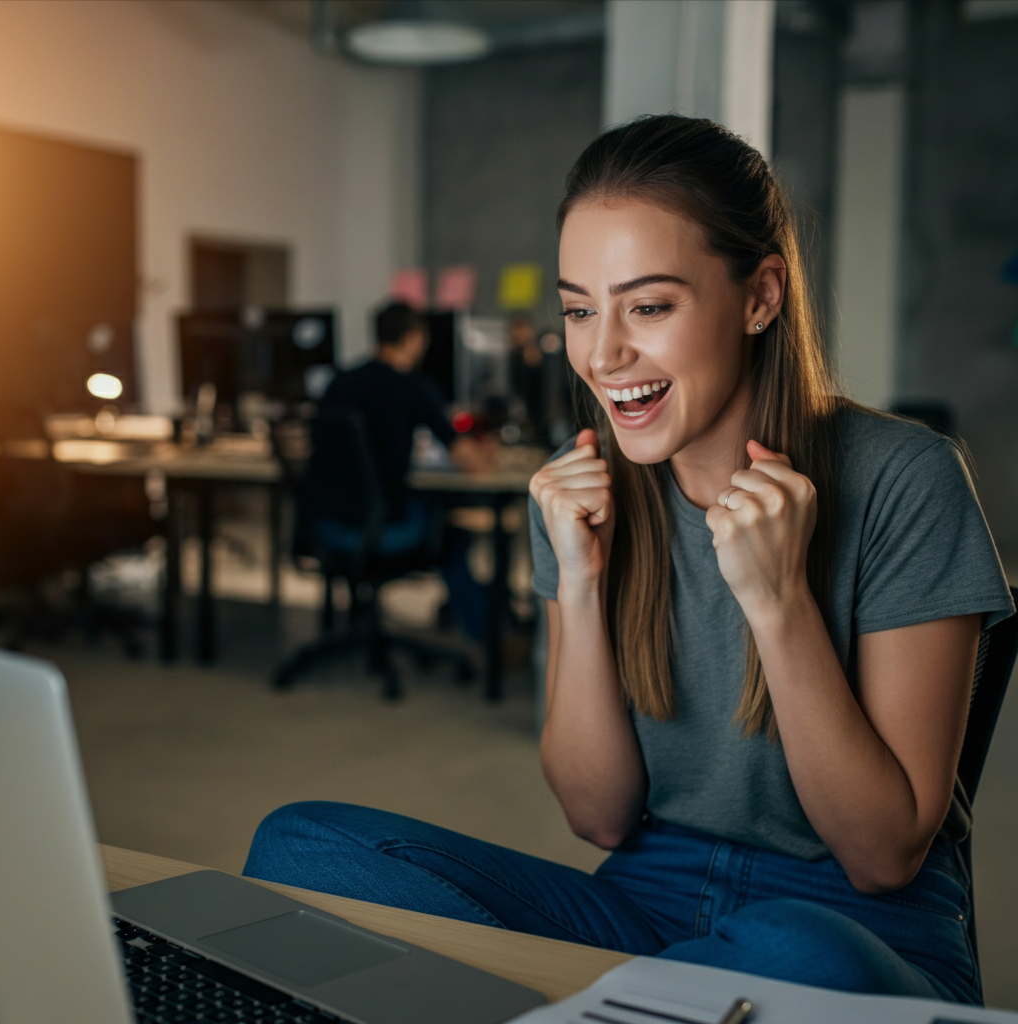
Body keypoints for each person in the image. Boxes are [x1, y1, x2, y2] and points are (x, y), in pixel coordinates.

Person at [244, 117, 1014, 1003]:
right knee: (298, 846)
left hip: (859, 922)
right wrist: (578, 580)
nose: (602, 355)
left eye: (648, 306)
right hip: (646, 899)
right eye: (579, 309)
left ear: (762, 295)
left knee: (792, 956)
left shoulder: (904, 477)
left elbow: (884, 857)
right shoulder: (584, 491)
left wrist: (781, 602)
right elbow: (597, 815)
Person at [314, 301, 494, 638]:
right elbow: (473, 464)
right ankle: (488, 637)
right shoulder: (412, 388)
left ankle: (356, 621)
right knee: (454, 536)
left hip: (328, 525)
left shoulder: (338, 384)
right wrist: (489, 454)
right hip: (384, 529)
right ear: (413, 339)